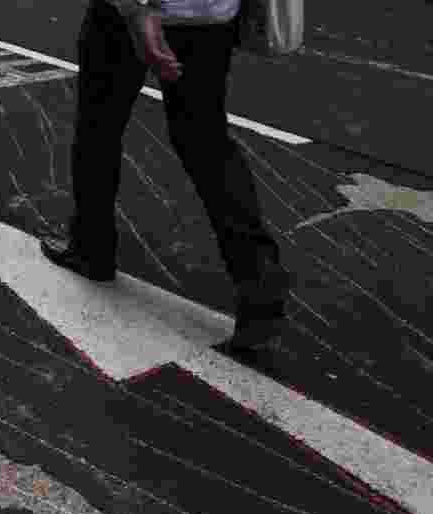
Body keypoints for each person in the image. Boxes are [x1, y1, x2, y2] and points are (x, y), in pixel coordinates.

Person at [43, 0, 293, 351]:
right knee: (206, 142)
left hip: (139, 11)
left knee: (99, 125)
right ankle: (260, 281)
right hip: (209, 16)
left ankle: (91, 246)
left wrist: (137, 10)